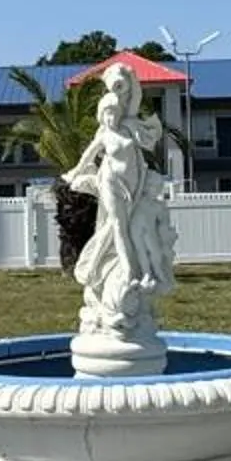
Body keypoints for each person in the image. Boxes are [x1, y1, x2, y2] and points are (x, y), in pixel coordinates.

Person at [65, 63, 175, 342]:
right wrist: (75, 174)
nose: (112, 116)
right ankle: (126, 269)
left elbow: (135, 107)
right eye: (107, 112)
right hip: (111, 184)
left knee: (128, 229)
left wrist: (125, 82)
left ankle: (98, 265)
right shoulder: (103, 134)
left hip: (132, 187)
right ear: (102, 115)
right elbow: (87, 158)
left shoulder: (128, 128)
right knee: (117, 227)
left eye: (115, 111)